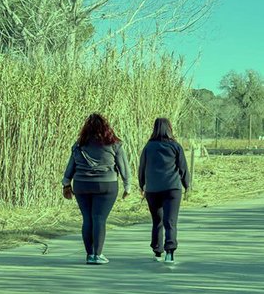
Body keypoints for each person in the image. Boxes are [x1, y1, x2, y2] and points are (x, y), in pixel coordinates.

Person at [62, 112, 130, 264]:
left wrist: (66, 184)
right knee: (99, 218)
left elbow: (70, 167)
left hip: (81, 184)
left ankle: (90, 255)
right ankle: (98, 255)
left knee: (87, 218)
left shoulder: (78, 145)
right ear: (106, 127)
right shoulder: (114, 144)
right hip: (106, 184)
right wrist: (127, 186)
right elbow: (124, 167)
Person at [138, 117, 190, 265]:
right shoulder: (175, 146)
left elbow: (142, 167)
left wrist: (142, 185)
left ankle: (157, 251)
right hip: (172, 188)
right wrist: (187, 186)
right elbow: (183, 168)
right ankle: (170, 252)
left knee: (157, 221)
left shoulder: (148, 147)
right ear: (169, 128)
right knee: (170, 221)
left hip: (153, 189)